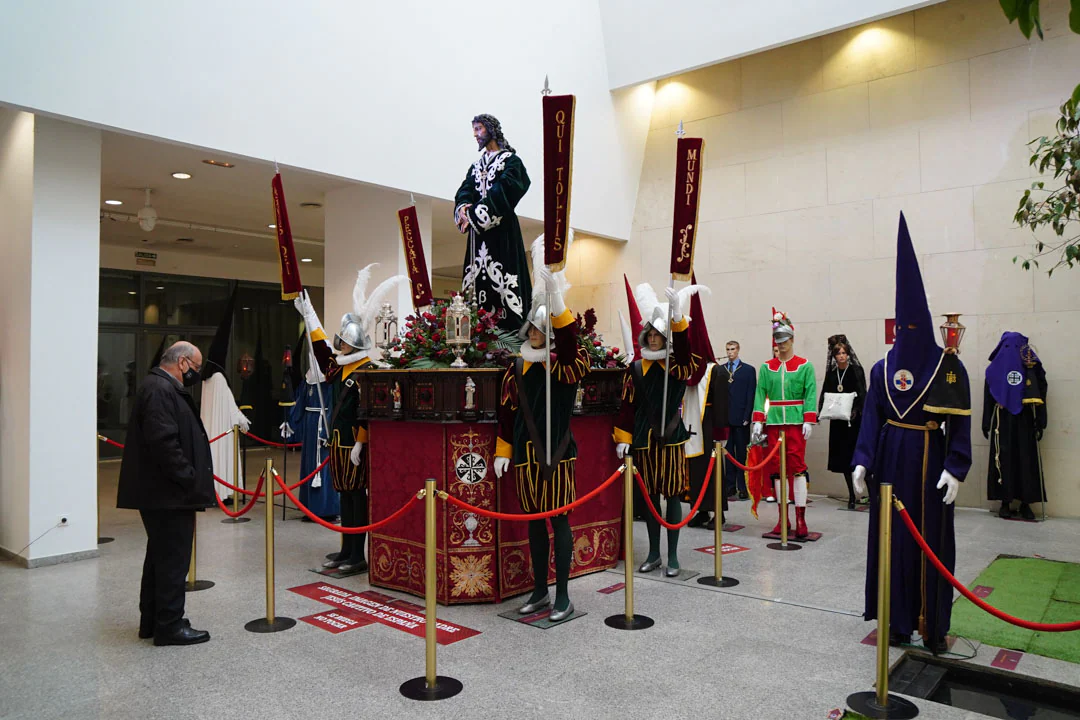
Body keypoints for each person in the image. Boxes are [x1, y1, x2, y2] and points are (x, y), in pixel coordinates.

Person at [853, 213, 972, 652]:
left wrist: (956, 467)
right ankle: (897, 620)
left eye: (914, 326)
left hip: (929, 462)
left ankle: (931, 623)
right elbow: (871, 417)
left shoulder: (947, 366)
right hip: (888, 461)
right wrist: (862, 460)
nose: (909, 334)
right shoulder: (882, 368)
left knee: (930, 543)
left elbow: (959, 419)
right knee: (893, 541)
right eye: (903, 326)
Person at [494, 238, 589, 621]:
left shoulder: (564, 369)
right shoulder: (516, 368)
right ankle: (538, 591)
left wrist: (558, 300)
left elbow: (571, 347)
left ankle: (563, 595)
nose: (533, 333)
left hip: (558, 453)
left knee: (559, 520)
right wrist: (503, 451)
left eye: (539, 329)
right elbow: (506, 414)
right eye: (530, 329)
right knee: (534, 523)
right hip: (526, 455)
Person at [294, 267, 407, 573]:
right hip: (338, 444)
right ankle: (346, 549)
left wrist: (361, 441)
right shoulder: (340, 367)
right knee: (345, 498)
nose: (339, 345)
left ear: (354, 346)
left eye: (344, 342)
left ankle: (358, 554)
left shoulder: (368, 370)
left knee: (357, 500)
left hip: (355, 447)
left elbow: (369, 411)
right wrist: (308, 314)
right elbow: (320, 351)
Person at [116, 341, 213, 646]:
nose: (195, 374)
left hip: (163, 492)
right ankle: (169, 625)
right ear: (182, 362)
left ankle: (153, 621)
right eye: (195, 368)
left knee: (160, 557)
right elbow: (164, 444)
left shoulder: (158, 386)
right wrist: (189, 479)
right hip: (168, 494)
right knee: (172, 560)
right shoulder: (159, 389)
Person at [614, 282, 704, 577]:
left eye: (657, 335)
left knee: (673, 495)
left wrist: (677, 318)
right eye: (649, 334)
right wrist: (623, 438)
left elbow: (688, 353)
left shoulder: (676, 366)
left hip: (672, 437)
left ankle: (674, 556)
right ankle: (653, 553)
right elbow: (628, 406)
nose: (653, 339)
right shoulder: (637, 368)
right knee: (651, 498)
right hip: (644, 439)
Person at [455, 114, 532, 333]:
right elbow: (465, 190)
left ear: (491, 129)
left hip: (502, 231)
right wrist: (462, 208)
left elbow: (510, 188)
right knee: (476, 284)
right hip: (478, 237)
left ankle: (510, 332)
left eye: (479, 129)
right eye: (474, 130)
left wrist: (477, 214)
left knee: (505, 280)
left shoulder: (511, 161)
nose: (476, 135)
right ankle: (475, 331)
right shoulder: (476, 165)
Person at [751, 310, 817, 538]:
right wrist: (758, 420)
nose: (782, 344)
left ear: (793, 339)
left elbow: (810, 394)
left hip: (796, 424)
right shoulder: (766, 367)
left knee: (797, 468)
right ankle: (782, 519)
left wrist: (809, 419)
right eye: (778, 340)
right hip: (774, 423)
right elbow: (760, 394)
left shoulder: (805, 366)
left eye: (786, 339)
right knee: (777, 471)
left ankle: (800, 518)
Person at [983, 332, 1047, 520]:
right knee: (1003, 460)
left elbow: (1041, 392)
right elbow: (988, 396)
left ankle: (1026, 503)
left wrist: (1040, 420)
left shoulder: (1032, 366)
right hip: (1002, 420)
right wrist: (986, 422)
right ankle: (1005, 502)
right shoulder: (994, 369)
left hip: (1025, 419)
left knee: (1025, 461)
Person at [199, 287, 251, 502]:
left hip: (212, 430)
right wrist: (243, 420)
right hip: (223, 431)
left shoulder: (207, 380)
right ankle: (225, 492)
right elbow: (230, 407)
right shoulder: (218, 379)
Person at [282, 356, 339, 521]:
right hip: (309, 426)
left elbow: (332, 407)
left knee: (323, 467)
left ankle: (327, 509)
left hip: (322, 426)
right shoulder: (308, 380)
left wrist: (326, 432)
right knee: (309, 466)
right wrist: (291, 423)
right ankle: (310, 508)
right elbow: (300, 403)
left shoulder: (330, 382)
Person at [817, 335, 867, 509]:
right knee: (844, 459)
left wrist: (856, 410)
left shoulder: (856, 371)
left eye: (844, 353)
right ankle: (851, 495)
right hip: (839, 422)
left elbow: (863, 394)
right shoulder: (832, 374)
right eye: (838, 353)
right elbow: (826, 393)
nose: (841, 356)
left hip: (855, 422)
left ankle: (872, 492)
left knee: (859, 457)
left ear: (848, 354)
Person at [722, 341, 756, 500]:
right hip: (726, 419)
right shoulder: (721, 370)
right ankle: (730, 486)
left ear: (738, 350)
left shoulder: (748, 370)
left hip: (741, 418)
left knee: (741, 453)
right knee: (727, 453)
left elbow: (751, 394)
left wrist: (747, 416)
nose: (730, 352)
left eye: (733, 349)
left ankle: (743, 486)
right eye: (728, 349)